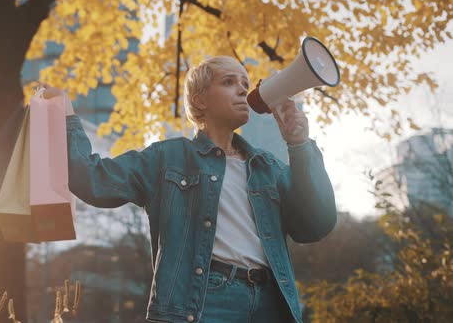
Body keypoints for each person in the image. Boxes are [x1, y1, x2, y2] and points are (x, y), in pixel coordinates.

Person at [43, 55, 336, 323]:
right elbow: (94, 180)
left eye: (245, 84)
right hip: (205, 300)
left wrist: (299, 144)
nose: (242, 90)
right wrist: (66, 117)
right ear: (200, 100)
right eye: (229, 82)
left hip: (273, 303)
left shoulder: (267, 167)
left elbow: (315, 225)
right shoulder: (168, 158)